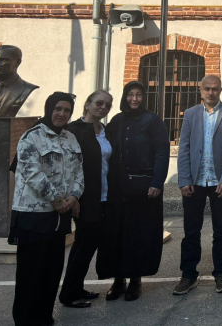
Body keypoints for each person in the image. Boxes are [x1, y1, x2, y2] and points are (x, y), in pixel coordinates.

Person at [10, 92, 83, 326]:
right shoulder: (32, 136)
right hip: (34, 215)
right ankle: (25, 320)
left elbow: (79, 171)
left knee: (52, 271)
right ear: (49, 108)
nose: (62, 113)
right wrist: (57, 200)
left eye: (67, 110)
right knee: (31, 272)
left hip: (60, 216)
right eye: (58, 108)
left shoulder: (71, 138)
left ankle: (43, 318)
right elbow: (31, 172)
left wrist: (73, 197)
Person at [97, 81, 169, 302]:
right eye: (130, 94)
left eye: (139, 95)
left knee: (139, 235)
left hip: (144, 189)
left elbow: (162, 152)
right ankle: (118, 280)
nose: (134, 99)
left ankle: (136, 280)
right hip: (118, 188)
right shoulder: (117, 121)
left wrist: (157, 182)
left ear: (144, 97)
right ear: (124, 96)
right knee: (117, 234)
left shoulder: (153, 121)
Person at [173, 75, 222, 296]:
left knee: (221, 230)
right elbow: (184, 148)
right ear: (200, 90)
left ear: (221, 90)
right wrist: (184, 179)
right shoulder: (191, 114)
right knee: (191, 231)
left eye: (215, 89)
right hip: (195, 182)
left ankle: (220, 273)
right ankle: (188, 275)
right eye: (207, 89)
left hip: (220, 182)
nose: (211, 92)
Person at [59, 90, 114, 308]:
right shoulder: (73, 130)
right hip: (84, 197)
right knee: (84, 244)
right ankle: (68, 294)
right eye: (99, 103)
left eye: (107, 105)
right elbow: (68, 168)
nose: (103, 108)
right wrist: (74, 198)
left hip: (103, 196)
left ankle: (75, 287)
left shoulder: (104, 131)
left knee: (87, 243)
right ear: (88, 104)